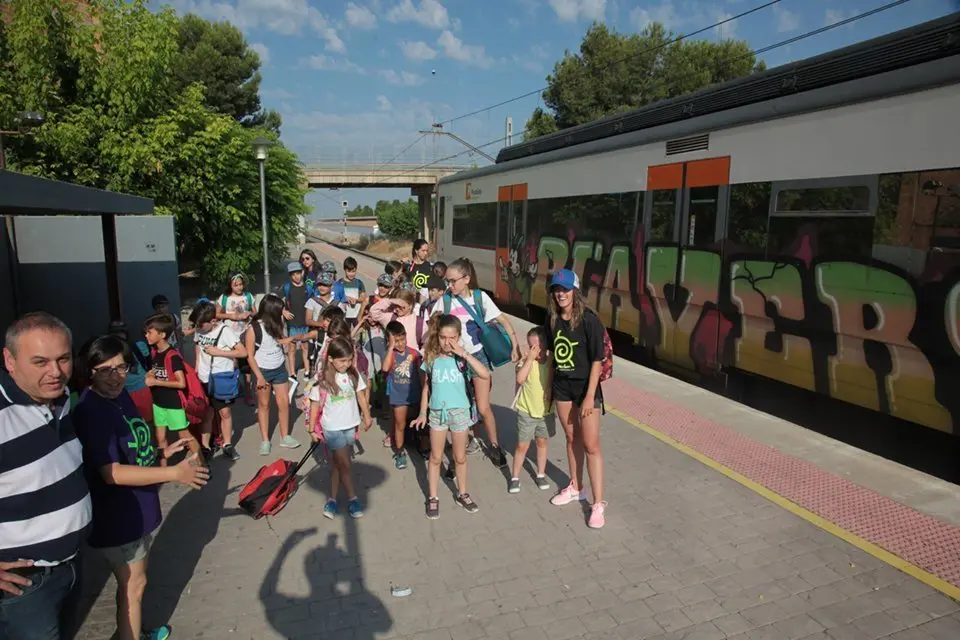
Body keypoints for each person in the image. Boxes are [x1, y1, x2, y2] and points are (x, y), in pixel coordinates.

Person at [72, 335, 209, 640]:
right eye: (105, 370)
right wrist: (173, 473)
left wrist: (161, 454)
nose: (115, 377)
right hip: (119, 516)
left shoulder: (118, 397)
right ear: (89, 371)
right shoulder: (91, 411)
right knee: (134, 586)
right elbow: (112, 472)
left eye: (121, 368)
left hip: (136, 510)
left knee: (135, 584)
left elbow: (131, 445)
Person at [0, 312, 92, 639]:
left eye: (63, 359)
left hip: (71, 567)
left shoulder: (61, 399)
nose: (55, 372)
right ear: (9, 360)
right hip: (24, 588)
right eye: (40, 362)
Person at [433, 257, 521, 466]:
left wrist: (515, 344)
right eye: (447, 281)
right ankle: (465, 443)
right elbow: (432, 327)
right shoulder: (445, 301)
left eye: (453, 281)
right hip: (454, 360)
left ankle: (494, 444)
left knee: (482, 407)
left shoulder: (480, 298)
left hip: (477, 357)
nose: (449, 285)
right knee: (461, 405)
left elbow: (502, 321)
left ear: (466, 279)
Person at [411, 314, 489, 519]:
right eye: (443, 337)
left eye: (452, 337)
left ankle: (462, 493)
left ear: (459, 336)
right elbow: (426, 387)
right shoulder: (431, 358)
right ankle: (433, 497)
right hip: (437, 413)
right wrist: (421, 413)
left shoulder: (462, 360)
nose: (447, 342)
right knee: (436, 457)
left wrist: (465, 354)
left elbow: (485, 374)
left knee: (460, 457)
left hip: (460, 413)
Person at [546, 269, 607, 528]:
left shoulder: (590, 320)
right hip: (562, 388)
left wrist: (590, 395)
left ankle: (598, 504)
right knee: (571, 438)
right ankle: (576, 487)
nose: (561, 294)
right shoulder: (552, 319)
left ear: (575, 291)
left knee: (591, 445)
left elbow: (597, 360)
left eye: (565, 289)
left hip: (586, 390)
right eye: (557, 289)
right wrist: (548, 389)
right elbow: (551, 356)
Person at [308, 337, 373, 519]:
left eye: (349, 359)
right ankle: (353, 498)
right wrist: (312, 429)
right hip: (332, 428)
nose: (346, 364)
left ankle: (332, 499)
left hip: (351, 425)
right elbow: (315, 404)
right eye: (342, 360)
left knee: (338, 464)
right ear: (330, 359)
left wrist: (367, 415)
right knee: (344, 464)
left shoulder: (353, 375)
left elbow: (361, 395)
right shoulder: (322, 379)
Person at [191, 301, 247, 461]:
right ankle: (206, 446)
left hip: (221, 377)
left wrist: (219, 352)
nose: (199, 327)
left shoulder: (225, 331)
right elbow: (197, 346)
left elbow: (242, 352)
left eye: (202, 324)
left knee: (224, 412)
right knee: (207, 413)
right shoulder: (199, 330)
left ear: (213, 321)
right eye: (197, 324)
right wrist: (196, 366)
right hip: (203, 377)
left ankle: (227, 444)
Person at [245, 294, 300, 455]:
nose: (282, 312)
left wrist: (290, 340)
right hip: (262, 370)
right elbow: (249, 355)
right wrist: (259, 377)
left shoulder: (277, 323)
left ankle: (285, 436)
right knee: (264, 405)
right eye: (280, 309)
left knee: (284, 403)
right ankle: (265, 440)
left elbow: (278, 341)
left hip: (279, 368)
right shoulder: (253, 328)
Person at [143, 314, 200, 461]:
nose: (146, 335)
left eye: (150, 332)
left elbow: (181, 383)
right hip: (158, 404)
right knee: (160, 438)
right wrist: (150, 375)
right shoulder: (154, 353)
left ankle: (203, 465)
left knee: (185, 435)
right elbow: (160, 373)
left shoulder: (173, 356)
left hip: (173, 404)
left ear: (162, 335)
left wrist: (156, 382)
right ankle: (163, 473)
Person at [509, 326, 555, 493]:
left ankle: (540, 474)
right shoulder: (525, 363)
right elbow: (520, 379)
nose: (536, 351)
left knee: (542, 442)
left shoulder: (551, 361)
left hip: (546, 411)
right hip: (526, 411)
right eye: (531, 347)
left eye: (539, 346)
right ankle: (515, 477)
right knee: (522, 446)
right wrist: (529, 359)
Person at [381, 321, 424, 469]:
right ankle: (399, 452)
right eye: (396, 341)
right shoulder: (390, 355)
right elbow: (385, 368)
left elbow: (421, 374)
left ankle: (418, 445)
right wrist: (390, 347)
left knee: (415, 422)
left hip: (414, 393)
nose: (400, 344)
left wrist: (425, 392)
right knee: (400, 424)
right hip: (398, 396)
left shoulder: (414, 354)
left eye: (402, 339)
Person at [215, 274, 256, 405]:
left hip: (245, 334)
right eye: (235, 285)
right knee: (232, 364)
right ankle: (232, 389)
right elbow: (216, 314)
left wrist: (249, 313)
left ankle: (248, 394)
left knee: (246, 365)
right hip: (229, 336)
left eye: (240, 284)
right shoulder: (224, 298)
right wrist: (232, 316)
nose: (239, 287)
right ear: (230, 285)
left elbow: (255, 312)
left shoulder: (248, 296)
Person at [108, 320, 155, 427]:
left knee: (144, 425)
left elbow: (149, 363)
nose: (118, 334)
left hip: (139, 389)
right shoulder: (109, 352)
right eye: (115, 331)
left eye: (120, 330)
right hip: (124, 392)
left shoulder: (138, 345)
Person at [281, 262, 312, 383]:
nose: (296, 277)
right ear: (290, 276)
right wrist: (283, 311)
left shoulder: (308, 288)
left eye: (298, 273)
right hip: (292, 324)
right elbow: (276, 301)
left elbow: (313, 303)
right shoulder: (287, 287)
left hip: (305, 323)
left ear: (302, 273)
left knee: (305, 348)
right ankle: (292, 373)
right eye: (293, 274)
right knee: (292, 349)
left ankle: (307, 371)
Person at [335, 257, 367, 328]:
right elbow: (336, 298)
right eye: (349, 271)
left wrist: (356, 300)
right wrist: (345, 298)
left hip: (357, 314)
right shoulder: (339, 283)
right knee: (346, 334)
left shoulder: (359, 283)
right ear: (344, 270)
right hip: (344, 315)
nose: (351, 274)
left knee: (358, 332)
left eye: (353, 271)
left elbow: (363, 298)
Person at [408, 239, 433, 303]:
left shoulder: (429, 266)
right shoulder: (409, 266)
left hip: (426, 302)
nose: (426, 253)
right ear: (416, 250)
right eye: (423, 250)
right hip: (412, 301)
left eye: (427, 251)